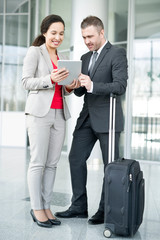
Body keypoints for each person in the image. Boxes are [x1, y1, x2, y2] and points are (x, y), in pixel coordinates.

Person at [55, 16, 128, 224]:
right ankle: (78, 206)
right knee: (75, 158)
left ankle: (104, 211)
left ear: (101, 32)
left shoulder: (117, 53)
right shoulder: (85, 58)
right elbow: (79, 92)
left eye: (90, 36)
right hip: (87, 118)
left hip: (109, 119)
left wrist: (93, 85)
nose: (87, 40)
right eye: (84, 37)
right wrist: (72, 84)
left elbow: (120, 86)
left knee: (110, 167)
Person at [22, 14, 79, 228]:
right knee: (38, 162)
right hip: (39, 114)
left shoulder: (63, 56)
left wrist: (69, 86)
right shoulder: (35, 52)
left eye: (61, 33)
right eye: (53, 32)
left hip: (59, 114)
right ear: (44, 32)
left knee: (52, 164)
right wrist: (49, 79)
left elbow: (63, 89)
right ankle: (37, 208)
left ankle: (46, 206)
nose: (58, 37)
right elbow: (26, 82)